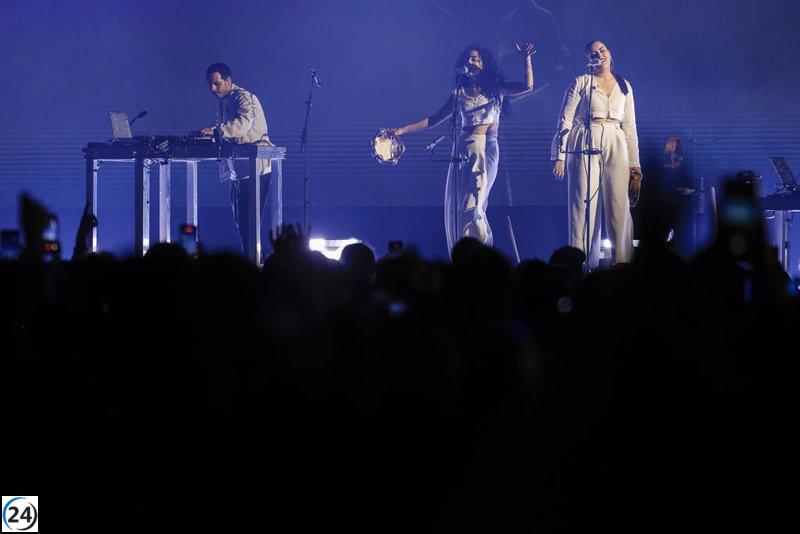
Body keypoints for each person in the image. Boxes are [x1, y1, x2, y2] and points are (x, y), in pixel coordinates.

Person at [391, 43, 535, 255]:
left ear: (484, 63)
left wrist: (526, 59)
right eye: (468, 58)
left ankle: (478, 250)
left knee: (475, 202)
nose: (471, 61)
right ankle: (468, 251)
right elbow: (434, 119)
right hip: (463, 149)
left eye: (475, 58)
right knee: (462, 205)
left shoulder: (496, 88)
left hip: (486, 148)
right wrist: (403, 130)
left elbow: (527, 86)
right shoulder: (460, 93)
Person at [551, 40, 641, 268]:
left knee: (619, 203)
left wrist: (635, 164)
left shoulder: (624, 85)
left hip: (616, 139)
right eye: (593, 53)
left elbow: (630, 127)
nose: (599, 54)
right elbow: (565, 119)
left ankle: (623, 263)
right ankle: (581, 263)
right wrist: (560, 155)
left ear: (610, 53)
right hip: (586, 138)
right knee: (583, 203)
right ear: (587, 59)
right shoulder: (581, 82)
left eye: (602, 50)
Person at [200, 62, 273, 259]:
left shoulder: (244, 98)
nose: (212, 88)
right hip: (238, 171)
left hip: (255, 171)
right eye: (210, 84)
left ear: (229, 80)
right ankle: (253, 259)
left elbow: (243, 124)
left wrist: (216, 131)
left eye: (216, 83)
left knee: (249, 223)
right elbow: (222, 126)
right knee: (242, 223)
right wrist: (206, 132)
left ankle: (255, 261)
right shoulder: (224, 101)